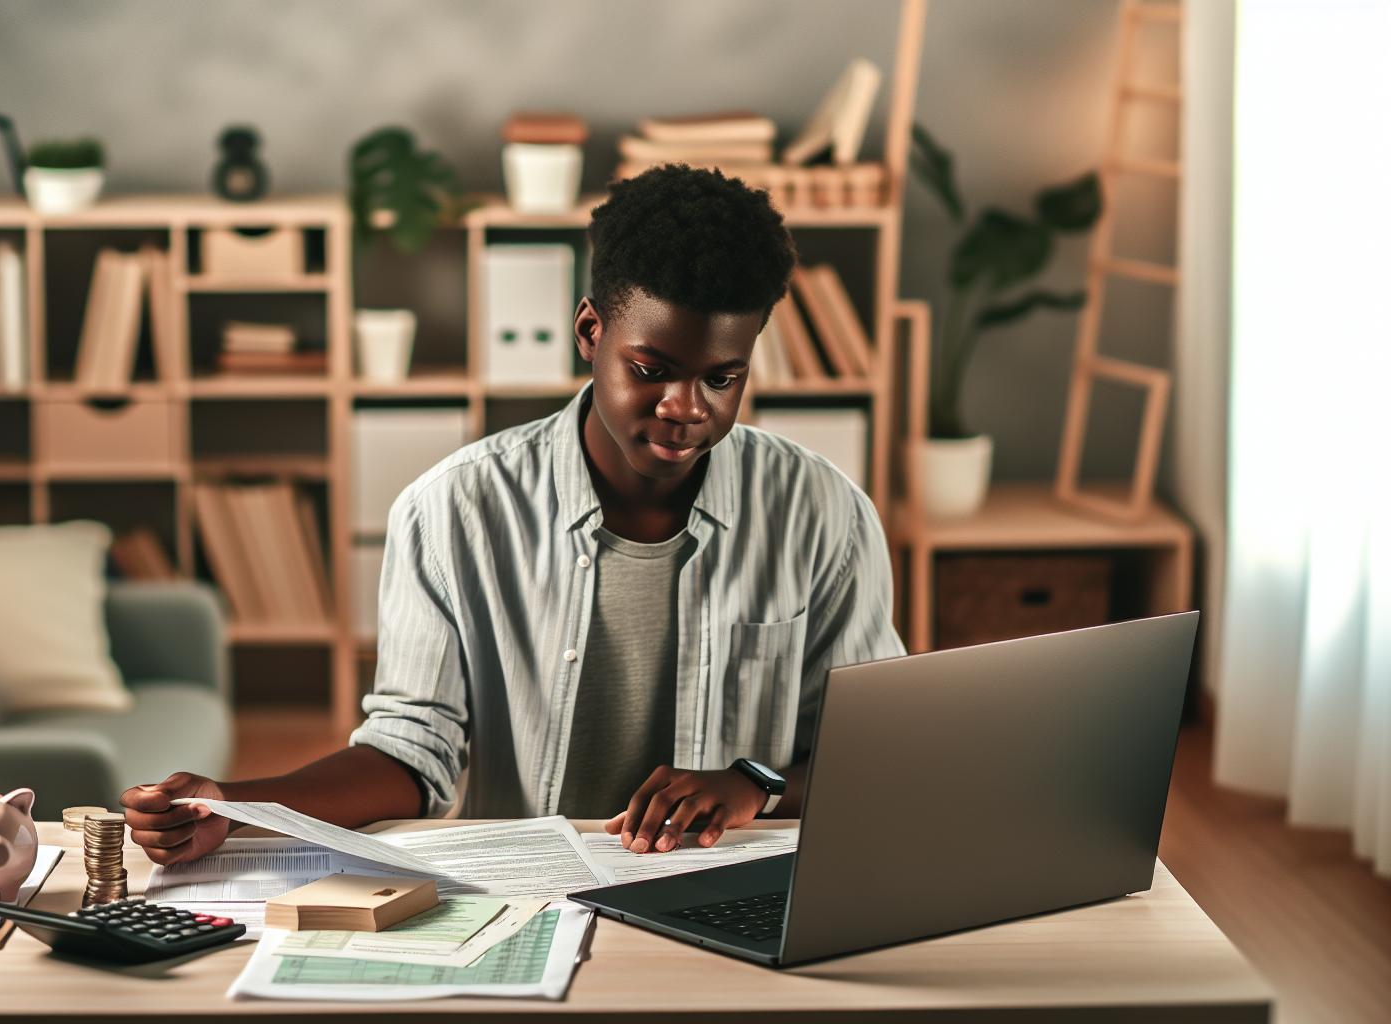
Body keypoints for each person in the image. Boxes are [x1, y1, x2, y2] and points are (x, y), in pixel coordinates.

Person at [123, 164, 904, 866]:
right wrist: (241, 804)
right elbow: (410, 754)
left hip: (736, 884)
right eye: (651, 371)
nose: (686, 409)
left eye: (722, 379)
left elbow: (875, 751)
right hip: (528, 901)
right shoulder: (452, 510)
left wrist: (751, 785)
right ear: (590, 332)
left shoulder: (823, 514)